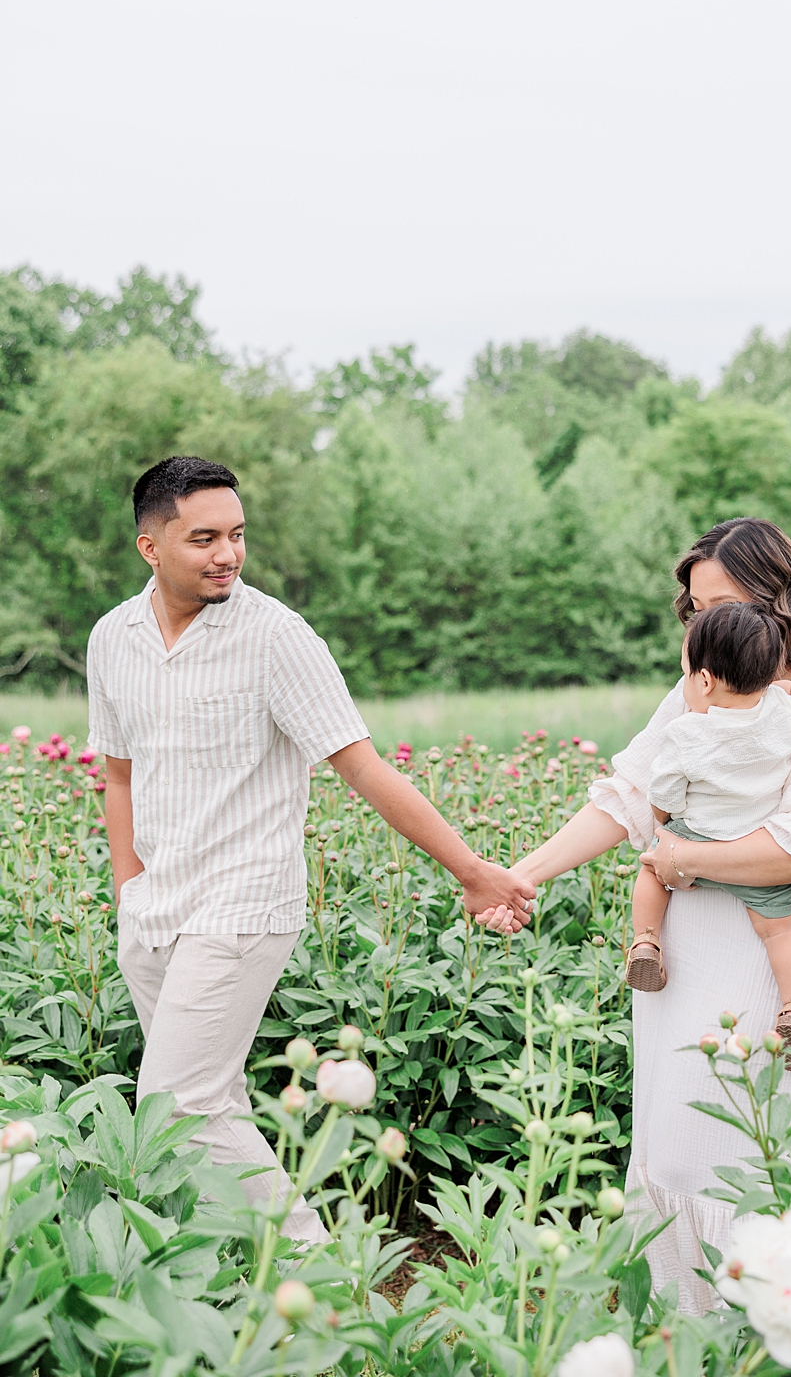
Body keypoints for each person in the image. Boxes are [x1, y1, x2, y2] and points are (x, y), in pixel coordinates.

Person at [89, 457, 534, 1243]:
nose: (228, 553)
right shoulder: (112, 638)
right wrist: (129, 885)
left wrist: (471, 870)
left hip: (243, 900)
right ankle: (244, 1280)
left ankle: (315, 1282)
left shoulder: (276, 635)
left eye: (237, 535)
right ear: (149, 547)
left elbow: (359, 763)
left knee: (176, 1107)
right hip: (155, 909)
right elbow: (116, 774)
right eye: (204, 538)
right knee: (204, 1109)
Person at [484, 517, 791, 1311]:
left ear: (776, 602)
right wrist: (517, 877)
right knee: (669, 1139)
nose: (699, 626)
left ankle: (766, 1330)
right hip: (683, 947)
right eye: (692, 609)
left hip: (768, 948)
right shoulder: (689, 697)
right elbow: (629, 798)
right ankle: (678, 1332)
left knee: (741, 1144)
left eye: (719, 605)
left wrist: (678, 858)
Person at [625, 601, 791, 1079]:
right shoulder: (786, 715)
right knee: (781, 933)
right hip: (754, 847)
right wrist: (789, 689)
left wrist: (667, 825)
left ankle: (645, 943)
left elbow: (662, 792)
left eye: (686, 673)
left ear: (704, 681)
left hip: (696, 833)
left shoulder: (685, 731)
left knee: (651, 870)